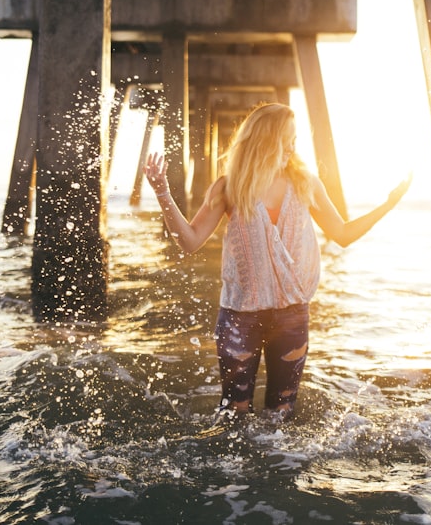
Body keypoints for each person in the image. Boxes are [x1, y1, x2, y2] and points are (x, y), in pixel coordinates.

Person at [145, 102, 410, 420]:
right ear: (266, 140)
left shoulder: (305, 183)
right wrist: (162, 192)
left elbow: (342, 233)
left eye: (295, 139)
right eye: (287, 138)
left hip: (291, 316)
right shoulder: (230, 188)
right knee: (234, 415)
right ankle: (234, 471)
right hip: (240, 318)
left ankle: (277, 468)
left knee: (280, 416)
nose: (292, 147)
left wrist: (388, 205)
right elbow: (189, 241)